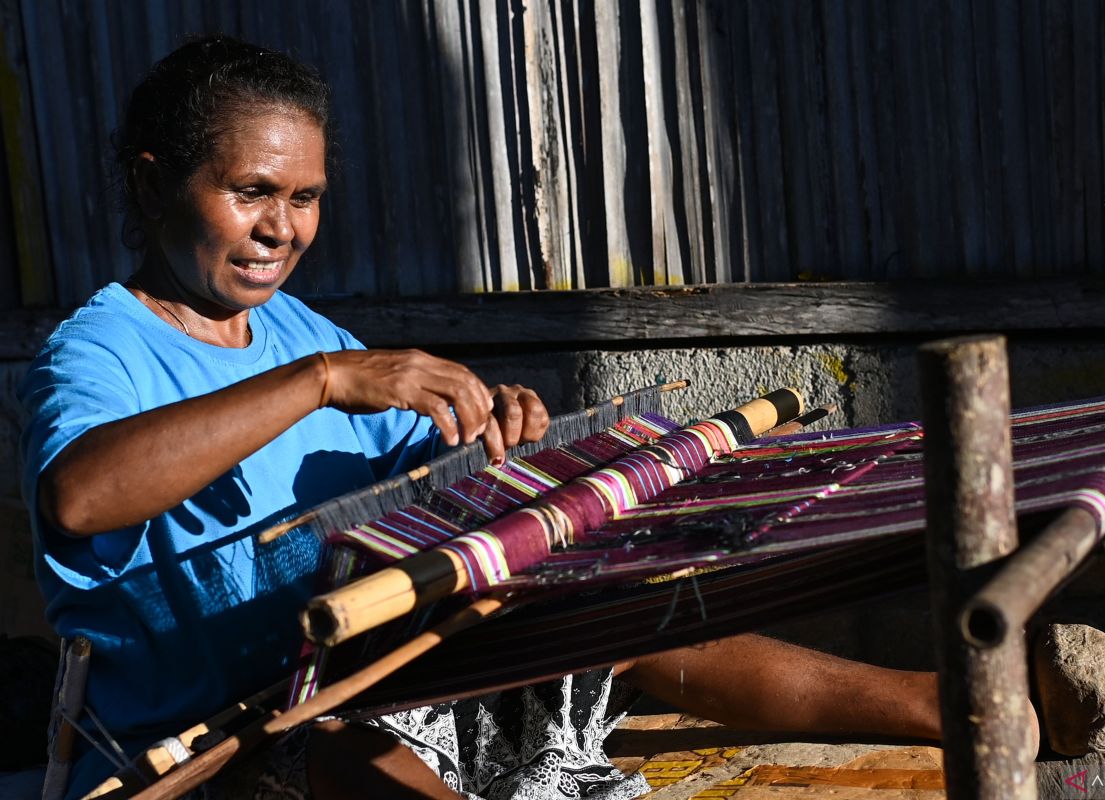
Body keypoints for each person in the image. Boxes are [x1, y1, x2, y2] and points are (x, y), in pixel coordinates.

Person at [21, 36, 972, 800]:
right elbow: (80, 496)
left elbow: (412, 485)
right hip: (216, 742)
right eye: (251, 192)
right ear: (154, 186)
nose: (282, 228)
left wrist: (495, 438)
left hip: (359, 679)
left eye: (304, 197)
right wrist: (318, 380)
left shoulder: (296, 329)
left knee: (595, 612)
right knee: (349, 760)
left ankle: (945, 703)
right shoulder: (103, 348)